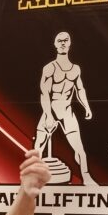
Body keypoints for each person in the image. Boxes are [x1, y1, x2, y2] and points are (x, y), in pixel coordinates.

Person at [34, 31, 96, 186]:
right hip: (51, 109)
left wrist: (87, 107)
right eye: (59, 40)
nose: (62, 43)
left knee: (79, 149)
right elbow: (44, 93)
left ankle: (86, 177)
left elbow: (80, 90)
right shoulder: (50, 68)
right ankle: (33, 177)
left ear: (69, 43)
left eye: (65, 40)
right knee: (38, 146)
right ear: (55, 44)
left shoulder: (76, 69)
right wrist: (48, 115)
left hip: (67, 111)